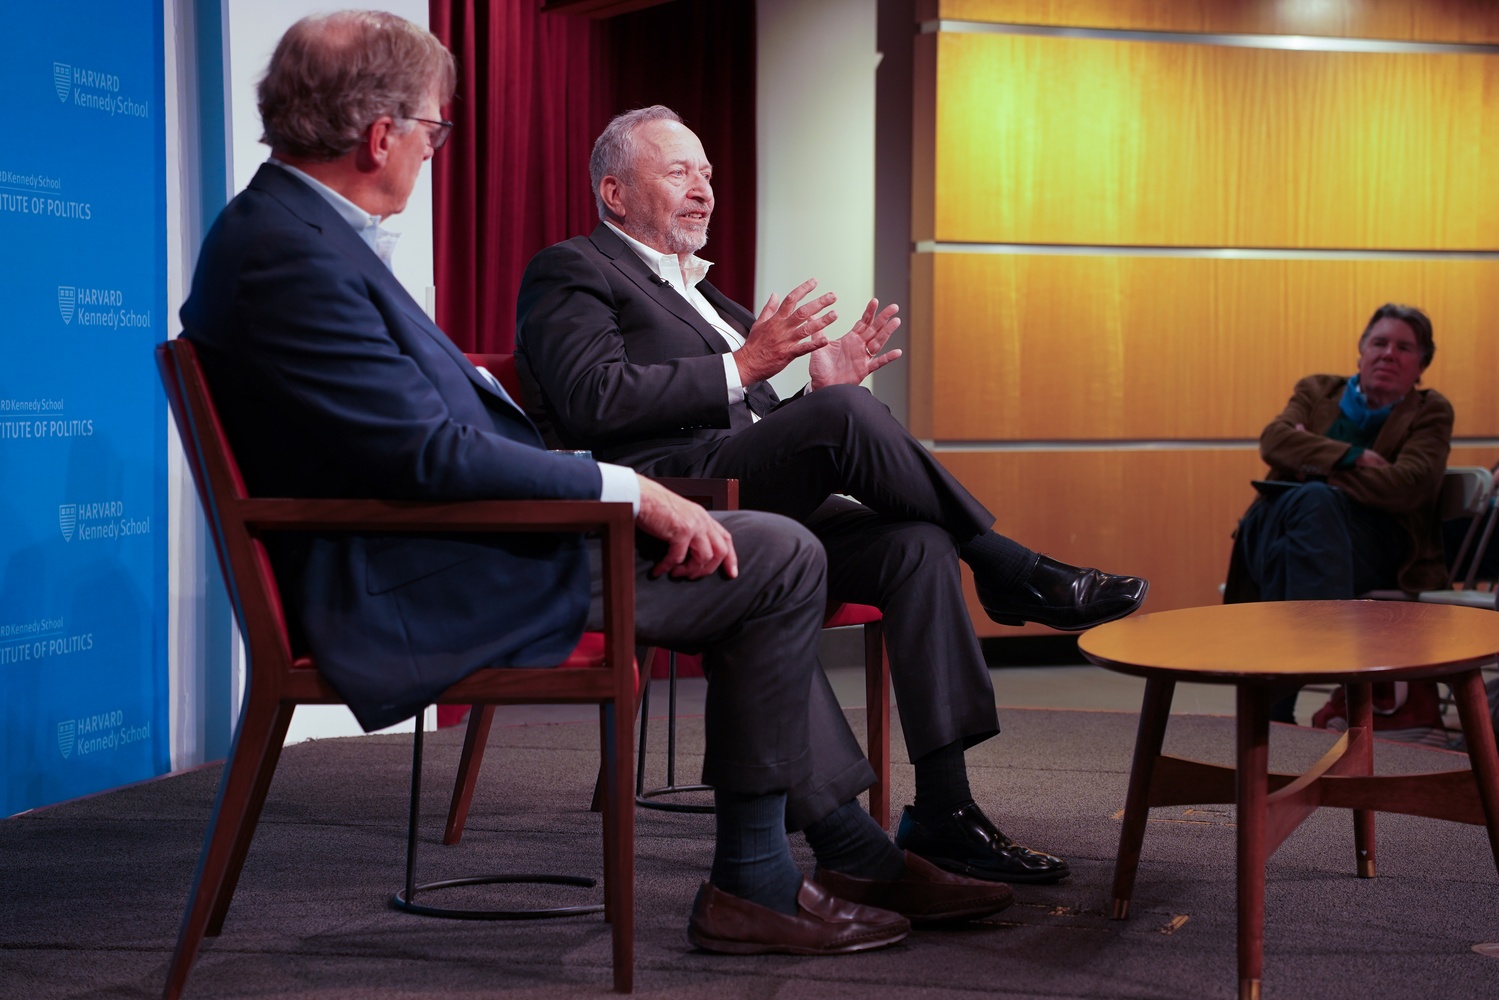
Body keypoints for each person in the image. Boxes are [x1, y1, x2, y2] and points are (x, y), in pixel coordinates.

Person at [179, 11, 1016, 958]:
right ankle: (769, 879)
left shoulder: (290, 234)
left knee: (772, 550)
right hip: (420, 569)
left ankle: (805, 868)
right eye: (433, 132)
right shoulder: (289, 255)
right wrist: (629, 489)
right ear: (381, 136)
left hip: (453, 536)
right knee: (772, 554)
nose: (431, 154)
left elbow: (428, 436)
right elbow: (429, 455)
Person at [514, 105, 1150, 886]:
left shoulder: (713, 298)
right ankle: (1007, 566)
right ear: (613, 193)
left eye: (708, 173)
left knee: (915, 546)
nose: (703, 190)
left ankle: (945, 809)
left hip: (748, 495)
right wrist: (747, 369)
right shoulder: (571, 268)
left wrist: (814, 391)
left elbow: (759, 424)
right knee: (846, 422)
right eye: (678, 172)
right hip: (669, 503)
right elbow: (590, 399)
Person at [1225, 304, 1453, 727]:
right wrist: (1352, 457)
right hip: (1278, 522)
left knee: (1306, 515)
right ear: (1361, 350)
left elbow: (1409, 485)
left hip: (1371, 544)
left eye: (1404, 347)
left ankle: (1270, 709)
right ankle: (1322, 664)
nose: (1388, 353)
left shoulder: (1429, 411)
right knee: (1305, 515)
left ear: (1421, 365)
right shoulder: (1317, 390)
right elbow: (1274, 441)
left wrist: (1312, 465)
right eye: (1379, 342)